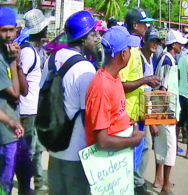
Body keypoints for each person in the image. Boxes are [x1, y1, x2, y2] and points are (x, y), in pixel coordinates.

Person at [40, 11, 97, 195]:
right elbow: (87, 117)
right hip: (76, 154)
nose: (97, 39)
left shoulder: (52, 59)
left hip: (54, 149)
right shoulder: (85, 68)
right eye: (94, 34)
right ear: (82, 39)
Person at [85, 25, 145, 157]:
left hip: (117, 160)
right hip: (108, 164)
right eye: (129, 49)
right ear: (123, 54)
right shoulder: (102, 86)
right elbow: (102, 141)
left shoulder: (115, 78)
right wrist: (133, 140)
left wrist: (129, 124)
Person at [120, 8, 160, 195]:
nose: (147, 26)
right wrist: (145, 80)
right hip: (127, 117)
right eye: (144, 23)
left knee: (134, 160)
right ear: (135, 26)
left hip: (136, 115)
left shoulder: (135, 51)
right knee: (126, 163)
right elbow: (120, 85)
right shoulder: (126, 51)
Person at [154, 29, 187, 194]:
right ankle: (165, 185)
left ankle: (158, 179)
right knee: (169, 146)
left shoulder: (165, 58)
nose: (182, 46)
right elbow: (163, 88)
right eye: (180, 44)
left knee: (161, 145)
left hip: (164, 107)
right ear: (174, 45)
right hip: (166, 108)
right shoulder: (168, 61)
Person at [0, 7, 28, 195]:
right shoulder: (2, 58)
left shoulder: (10, 53)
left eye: (12, 30)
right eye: (3, 30)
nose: (8, 35)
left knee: (13, 179)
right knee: (5, 183)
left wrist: (17, 63)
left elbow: (25, 90)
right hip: (4, 133)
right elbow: (16, 94)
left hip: (12, 131)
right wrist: (12, 61)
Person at [18, 9, 47, 191]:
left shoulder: (33, 50)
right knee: (29, 152)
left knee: (36, 151)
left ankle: (35, 184)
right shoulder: (28, 52)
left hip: (32, 109)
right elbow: (22, 76)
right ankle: (26, 186)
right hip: (27, 110)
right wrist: (25, 88)